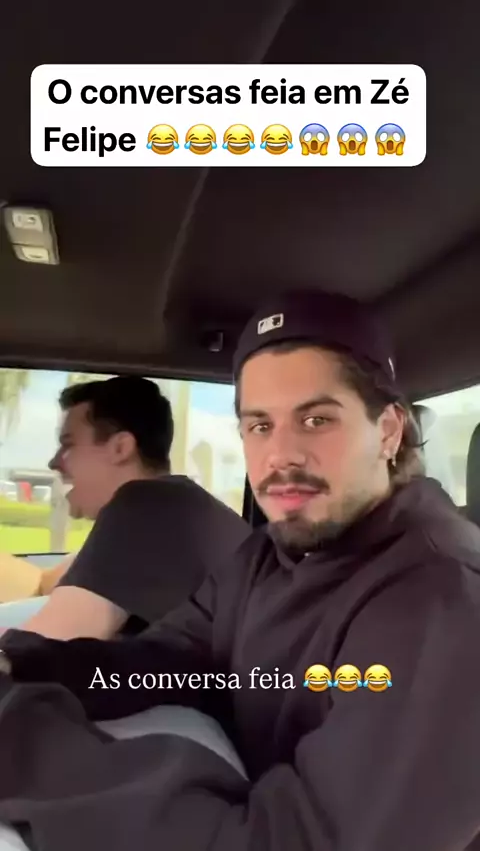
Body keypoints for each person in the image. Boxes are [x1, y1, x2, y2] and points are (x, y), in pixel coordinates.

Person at [1, 290, 480, 851]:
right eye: (259, 426)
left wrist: (22, 745)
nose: (281, 455)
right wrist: (25, 664)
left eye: (317, 419)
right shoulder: (271, 554)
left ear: (389, 431)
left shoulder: (440, 600)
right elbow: (175, 664)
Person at [4, 375, 251, 639]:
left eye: (68, 444)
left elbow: (42, 645)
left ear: (120, 448)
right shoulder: (183, 509)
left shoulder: (146, 506)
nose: (54, 462)